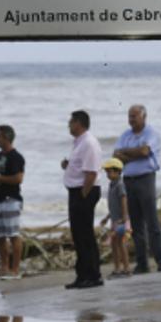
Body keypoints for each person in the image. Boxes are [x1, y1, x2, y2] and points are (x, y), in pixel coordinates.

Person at [112, 104, 161, 274]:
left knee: (152, 223)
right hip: (128, 180)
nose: (131, 120)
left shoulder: (151, 133)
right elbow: (116, 156)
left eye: (134, 116)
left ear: (144, 117)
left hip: (146, 179)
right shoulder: (125, 135)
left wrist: (127, 154)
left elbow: (145, 151)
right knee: (136, 225)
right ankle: (142, 264)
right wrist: (130, 154)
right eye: (129, 116)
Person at [62, 110, 104, 289]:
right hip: (77, 191)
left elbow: (92, 173)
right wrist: (68, 165)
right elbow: (81, 166)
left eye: (71, 121)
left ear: (79, 123)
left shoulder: (88, 142)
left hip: (85, 191)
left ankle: (93, 275)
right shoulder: (78, 142)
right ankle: (82, 275)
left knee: (85, 235)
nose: (69, 124)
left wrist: (83, 196)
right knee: (78, 235)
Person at [0, 125, 25, 280]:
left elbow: (18, 178)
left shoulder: (16, 157)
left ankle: (15, 269)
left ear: (6, 138)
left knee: (13, 235)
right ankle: (4, 268)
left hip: (11, 200)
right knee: (0, 236)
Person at [99, 158, 131, 278]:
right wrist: (107, 218)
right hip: (114, 220)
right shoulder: (112, 185)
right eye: (106, 172)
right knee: (114, 244)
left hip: (120, 221)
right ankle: (117, 268)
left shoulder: (120, 185)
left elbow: (123, 200)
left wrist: (124, 217)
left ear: (118, 172)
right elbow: (112, 205)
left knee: (121, 244)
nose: (108, 174)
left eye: (110, 171)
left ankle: (126, 268)